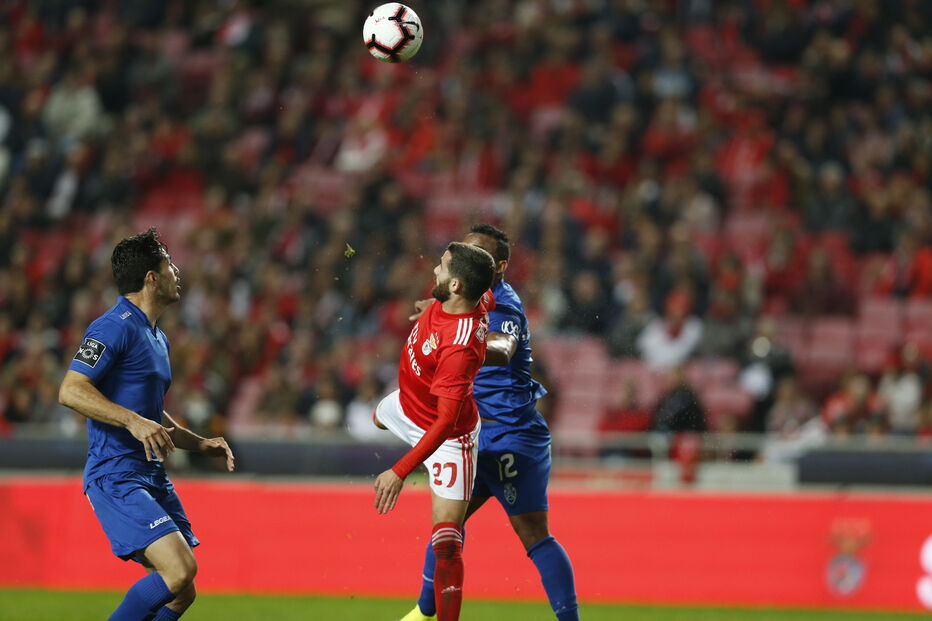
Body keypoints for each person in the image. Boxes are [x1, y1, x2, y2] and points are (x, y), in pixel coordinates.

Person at [400, 224, 579, 621]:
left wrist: (470, 339)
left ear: (499, 266)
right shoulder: (465, 301)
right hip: (473, 433)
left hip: (509, 433)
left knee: (533, 533)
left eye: (478, 252)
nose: (469, 256)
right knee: (448, 523)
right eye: (465, 249)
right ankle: (423, 613)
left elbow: (505, 346)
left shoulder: (502, 304)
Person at [58, 229, 235, 621]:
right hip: (115, 473)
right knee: (180, 570)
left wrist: (199, 443)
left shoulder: (157, 336)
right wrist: (131, 421)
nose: (177, 272)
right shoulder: (113, 326)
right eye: (169, 264)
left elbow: (152, 416)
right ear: (152, 278)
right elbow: (70, 390)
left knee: (182, 592)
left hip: (150, 472)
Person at [372, 241, 497, 621]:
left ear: (457, 285)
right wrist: (433, 307)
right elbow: (486, 291)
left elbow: (444, 422)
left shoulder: (459, 351)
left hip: (447, 437)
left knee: (446, 543)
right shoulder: (472, 296)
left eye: (441, 268)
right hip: (407, 405)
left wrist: (400, 469)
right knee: (377, 416)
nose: (434, 272)